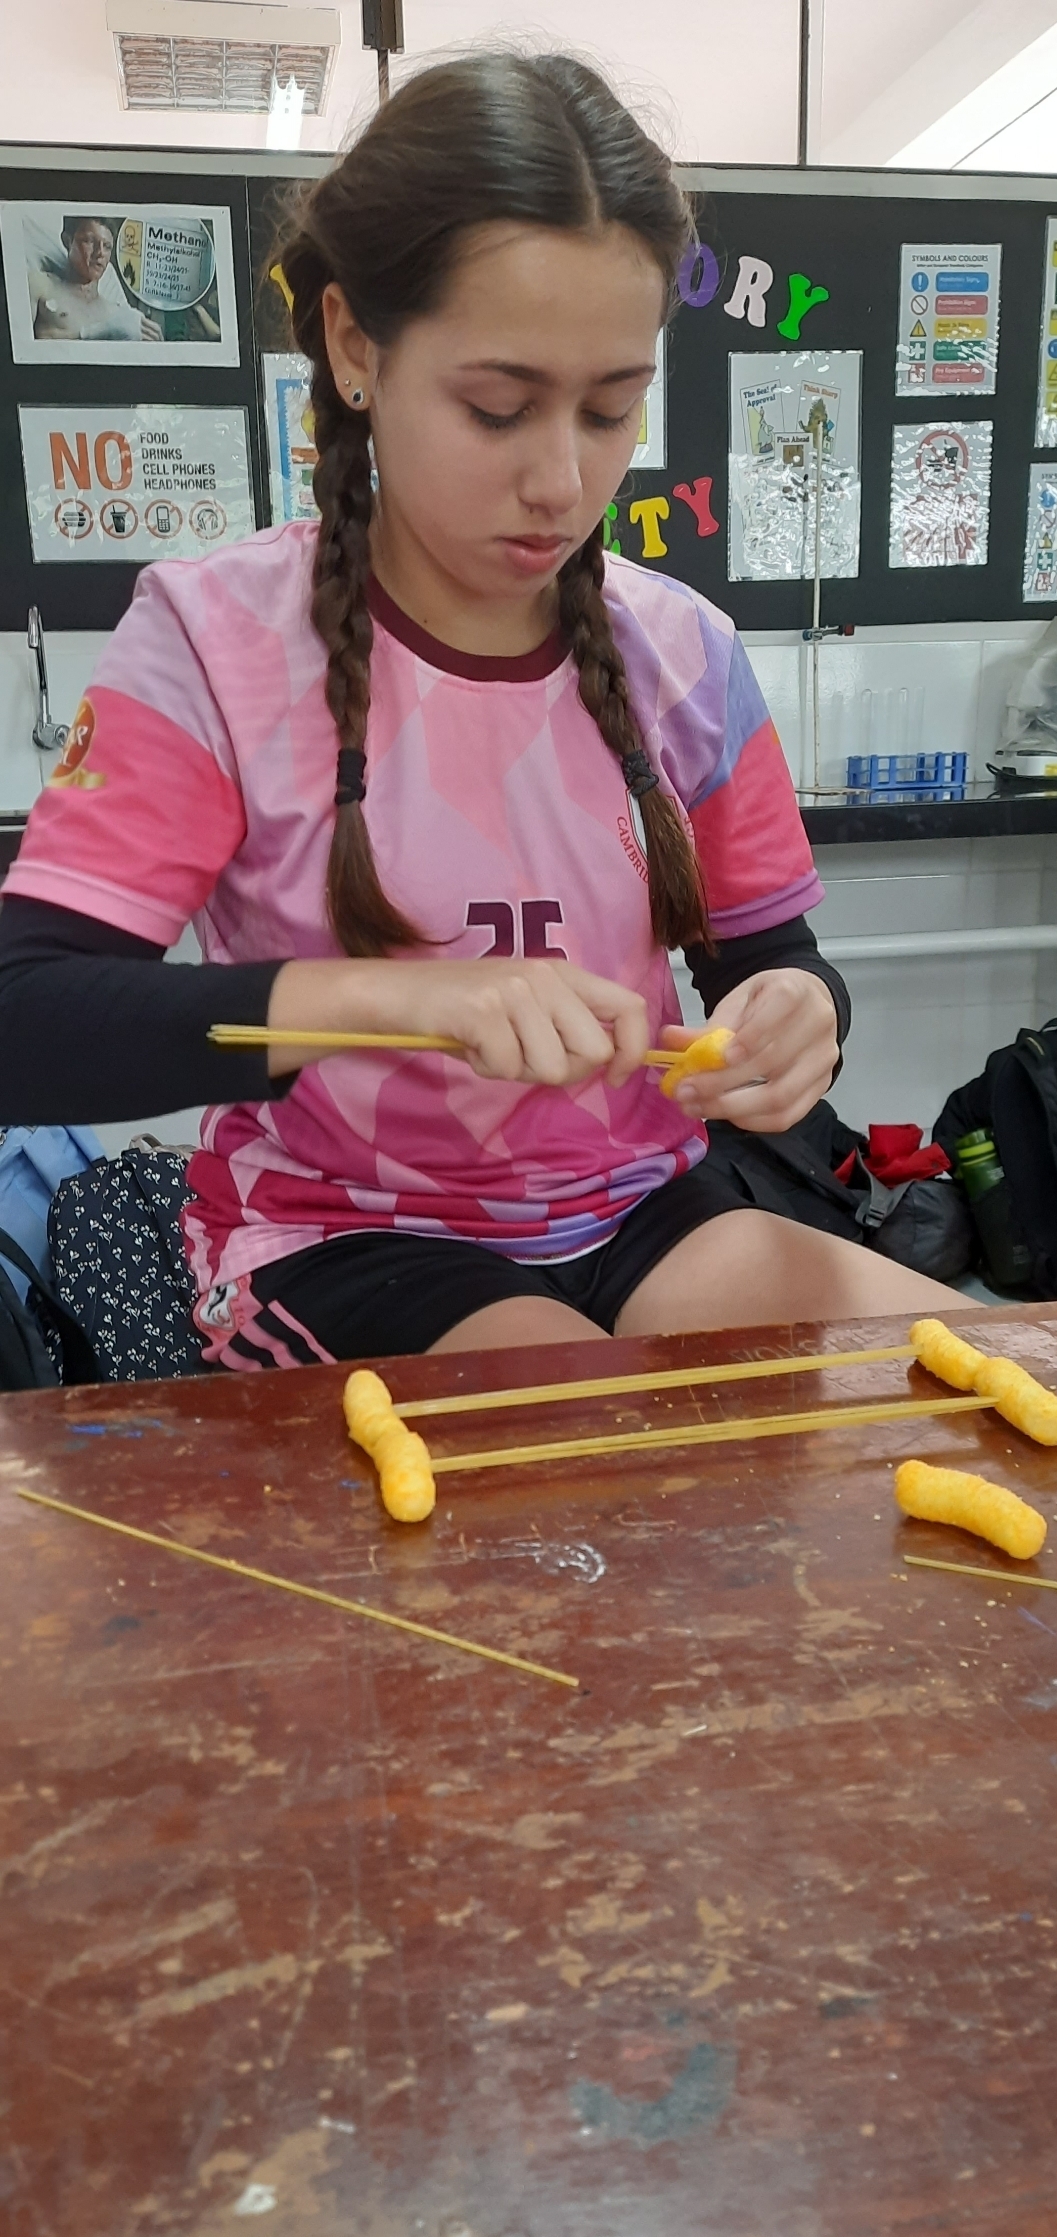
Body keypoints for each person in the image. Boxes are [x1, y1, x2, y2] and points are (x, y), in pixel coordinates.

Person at [0, 54, 971, 1367]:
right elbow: (29, 1020)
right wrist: (403, 1000)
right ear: (357, 346)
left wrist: (803, 1012)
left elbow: (768, 959)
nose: (562, 479)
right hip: (343, 1235)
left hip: (643, 1209)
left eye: (612, 408)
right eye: (498, 408)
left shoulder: (685, 652)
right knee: (574, 1442)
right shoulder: (212, 643)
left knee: (973, 1384)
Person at [28, 215, 163, 343]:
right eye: (90, 241)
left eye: (107, 246)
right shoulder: (41, 285)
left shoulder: (116, 314)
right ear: (67, 241)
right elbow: (27, 344)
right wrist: (92, 333)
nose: (100, 253)